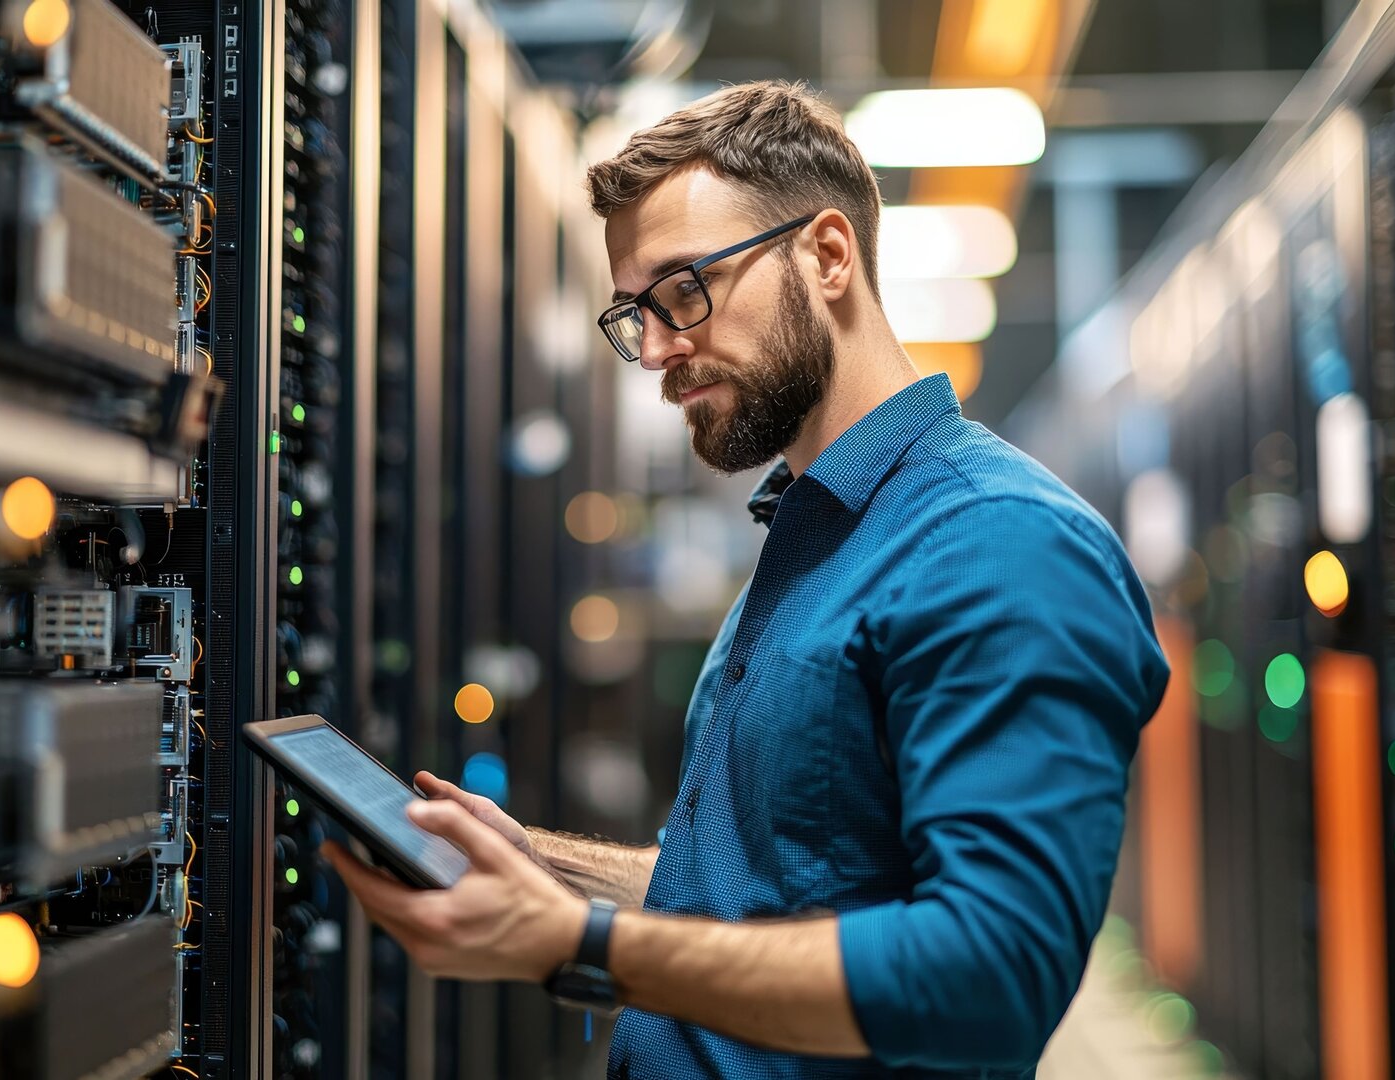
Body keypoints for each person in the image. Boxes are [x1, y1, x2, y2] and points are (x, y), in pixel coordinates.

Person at [322, 80, 1170, 1079]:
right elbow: (770, 887)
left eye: (685, 291)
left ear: (827, 254)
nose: (659, 351)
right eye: (636, 314)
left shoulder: (998, 544)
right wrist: (540, 869)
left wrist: (580, 947)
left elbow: (991, 975)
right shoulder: (808, 531)